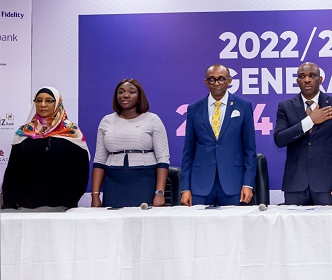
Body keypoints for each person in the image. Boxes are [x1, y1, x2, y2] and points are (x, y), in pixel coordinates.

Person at [273, 62, 332, 205]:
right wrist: (310, 121)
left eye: (312, 76)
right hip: (295, 185)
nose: (307, 80)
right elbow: (280, 139)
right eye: (302, 76)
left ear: (320, 79)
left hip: (328, 184)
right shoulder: (285, 106)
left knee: (329, 221)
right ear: (297, 81)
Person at [1, 87, 89, 209]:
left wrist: (69, 201)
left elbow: (81, 173)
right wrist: (9, 203)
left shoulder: (72, 132)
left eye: (49, 100)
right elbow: (11, 172)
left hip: (62, 208)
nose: (43, 104)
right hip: (26, 207)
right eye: (39, 100)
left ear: (57, 103)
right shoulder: (24, 132)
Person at [180, 65, 257, 206]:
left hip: (233, 183)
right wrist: (185, 188)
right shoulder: (194, 109)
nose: (216, 83)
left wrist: (248, 184)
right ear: (205, 82)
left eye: (221, 79)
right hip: (200, 184)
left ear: (229, 81)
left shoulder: (243, 106)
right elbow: (188, 151)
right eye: (212, 79)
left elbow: (249, 150)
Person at [90, 79, 170, 208]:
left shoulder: (152, 119)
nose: (125, 95)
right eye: (121, 92)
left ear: (139, 97)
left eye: (131, 92)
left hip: (144, 180)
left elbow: (163, 158)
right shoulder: (106, 121)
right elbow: (99, 160)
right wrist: (95, 195)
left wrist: (159, 193)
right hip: (113, 181)